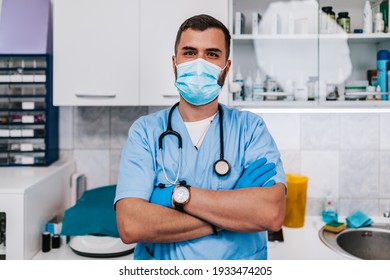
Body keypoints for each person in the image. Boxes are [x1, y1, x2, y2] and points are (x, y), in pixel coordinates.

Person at [114, 14, 286, 260]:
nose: (199, 63)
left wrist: (174, 196)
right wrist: (231, 212)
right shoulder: (145, 131)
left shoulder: (251, 129)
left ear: (225, 69)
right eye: (190, 52)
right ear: (175, 64)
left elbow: (271, 213)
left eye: (212, 54)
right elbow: (131, 225)